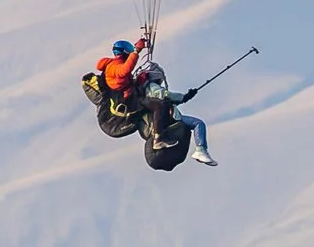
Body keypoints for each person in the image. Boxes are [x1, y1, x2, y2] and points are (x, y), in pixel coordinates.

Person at [81, 37, 216, 170]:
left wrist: (185, 97)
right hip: (158, 116)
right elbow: (127, 72)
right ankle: (161, 139)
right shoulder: (116, 67)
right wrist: (137, 50)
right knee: (172, 111)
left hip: (168, 118)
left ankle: (200, 150)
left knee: (190, 119)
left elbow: (167, 100)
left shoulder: (135, 85)